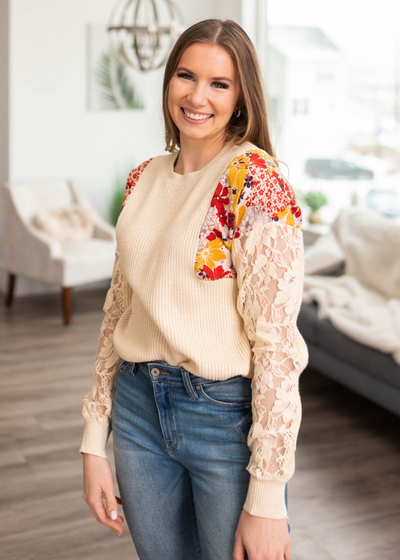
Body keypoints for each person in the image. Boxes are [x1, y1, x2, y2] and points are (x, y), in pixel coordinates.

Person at [80, 18, 308, 560]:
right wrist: (94, 440)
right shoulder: (144, 179)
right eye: (186, 75)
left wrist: (268, 500)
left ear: (241, 95)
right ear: (168, 80)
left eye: (219, 83)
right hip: (136, 408)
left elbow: (276, 349)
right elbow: (119, 309)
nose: (197, 95)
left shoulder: (255, 183)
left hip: (222, 418)